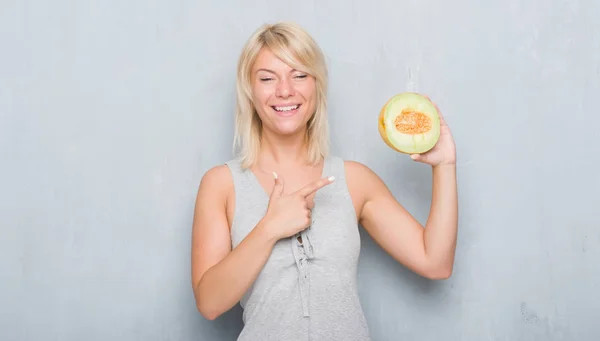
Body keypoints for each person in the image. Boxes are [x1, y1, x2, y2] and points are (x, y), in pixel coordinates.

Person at [191, 21, 458, 341]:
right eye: (267, 78)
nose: (285, 90)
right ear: (249, 91)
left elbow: (435, 262)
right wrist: (269, 229)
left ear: (317, 85)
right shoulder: (221, 184)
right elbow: (209, 303)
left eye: (299, 75)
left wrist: (444, 165)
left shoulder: (356, 181)